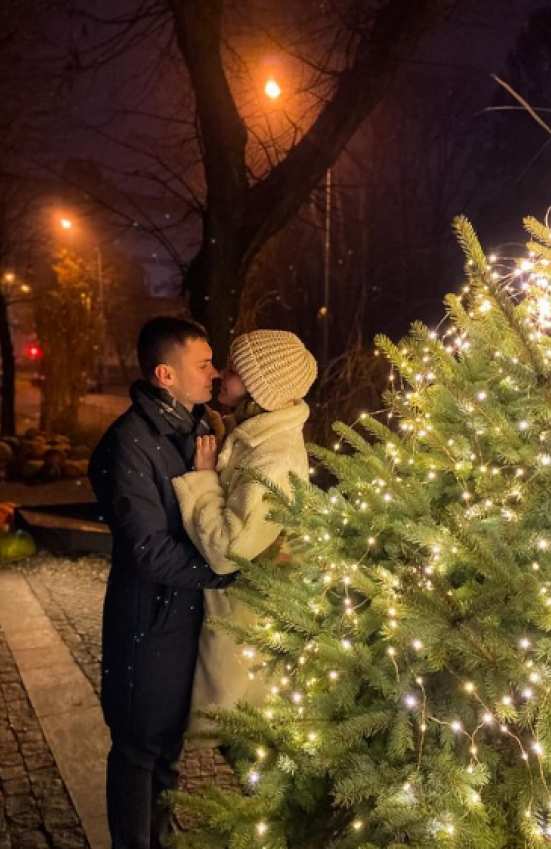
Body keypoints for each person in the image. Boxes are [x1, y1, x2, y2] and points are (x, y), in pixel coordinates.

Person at [88, 316, 234, 849]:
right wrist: (225, 572)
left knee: (169, 747)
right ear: (165, 374)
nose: (215, 373)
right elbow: (148, 550)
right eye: (204, 364)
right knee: (138, 749)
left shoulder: (194, 430)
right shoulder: (128, 443)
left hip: (185, 616)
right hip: (146, 624)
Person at [173, 329, 317, 725]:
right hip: (233, 613)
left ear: (259, 389)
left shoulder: (274, 460)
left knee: (240, 735)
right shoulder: (254, 436)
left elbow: (226, 552)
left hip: (244, 624)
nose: (220, 373)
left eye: (234, 371)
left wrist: (203, 478)